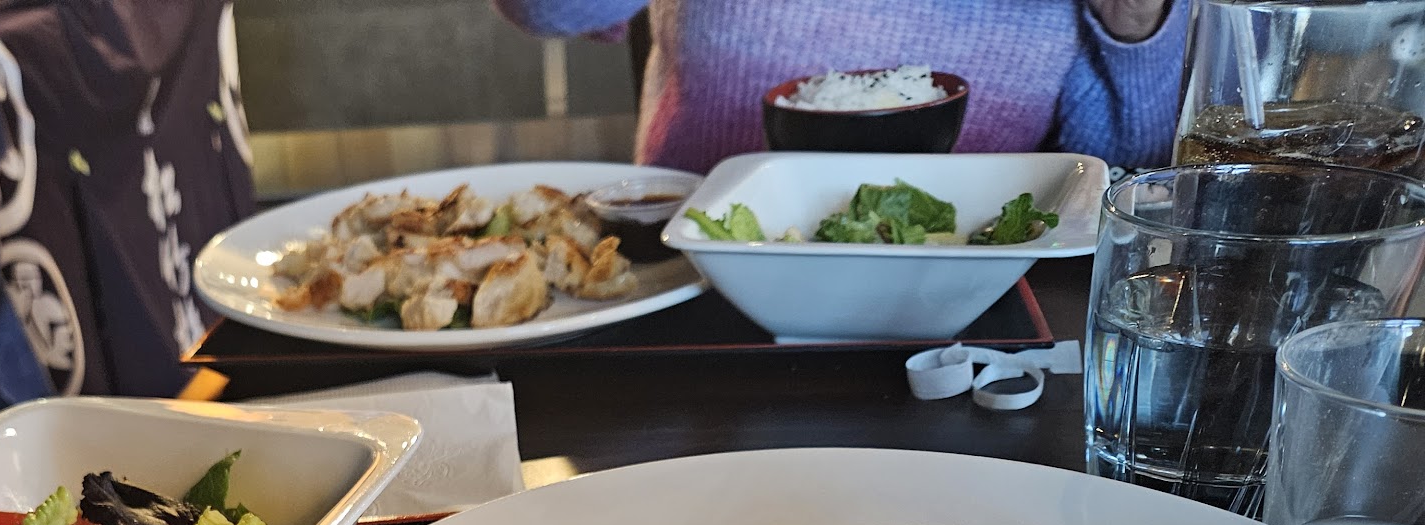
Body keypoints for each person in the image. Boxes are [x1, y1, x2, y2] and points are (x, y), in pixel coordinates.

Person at [492, 0, 1188, 172]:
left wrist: (1134, 22)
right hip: (699, 275)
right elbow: (548, 11)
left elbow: (1132, 170)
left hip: (972, 297)